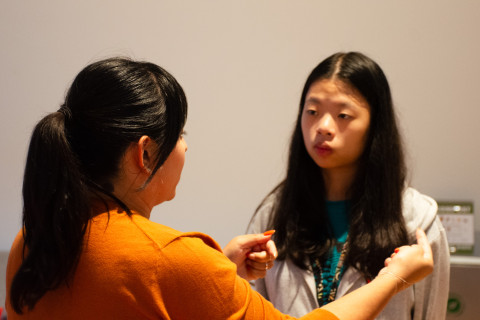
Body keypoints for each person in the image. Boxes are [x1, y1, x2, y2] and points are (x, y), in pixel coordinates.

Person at [5, 57, 433, 320]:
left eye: (343, 115)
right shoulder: (184, 255)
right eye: (182, 133)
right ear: (146, 154)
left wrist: (216, 271)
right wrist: (393, 277)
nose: (323, 127)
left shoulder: (35, 241)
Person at [247, 52, 450, 319]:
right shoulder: (274, 214)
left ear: (374, 126)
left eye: (343, 115)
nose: (323, 127)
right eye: (312, 111)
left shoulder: (417, 221)